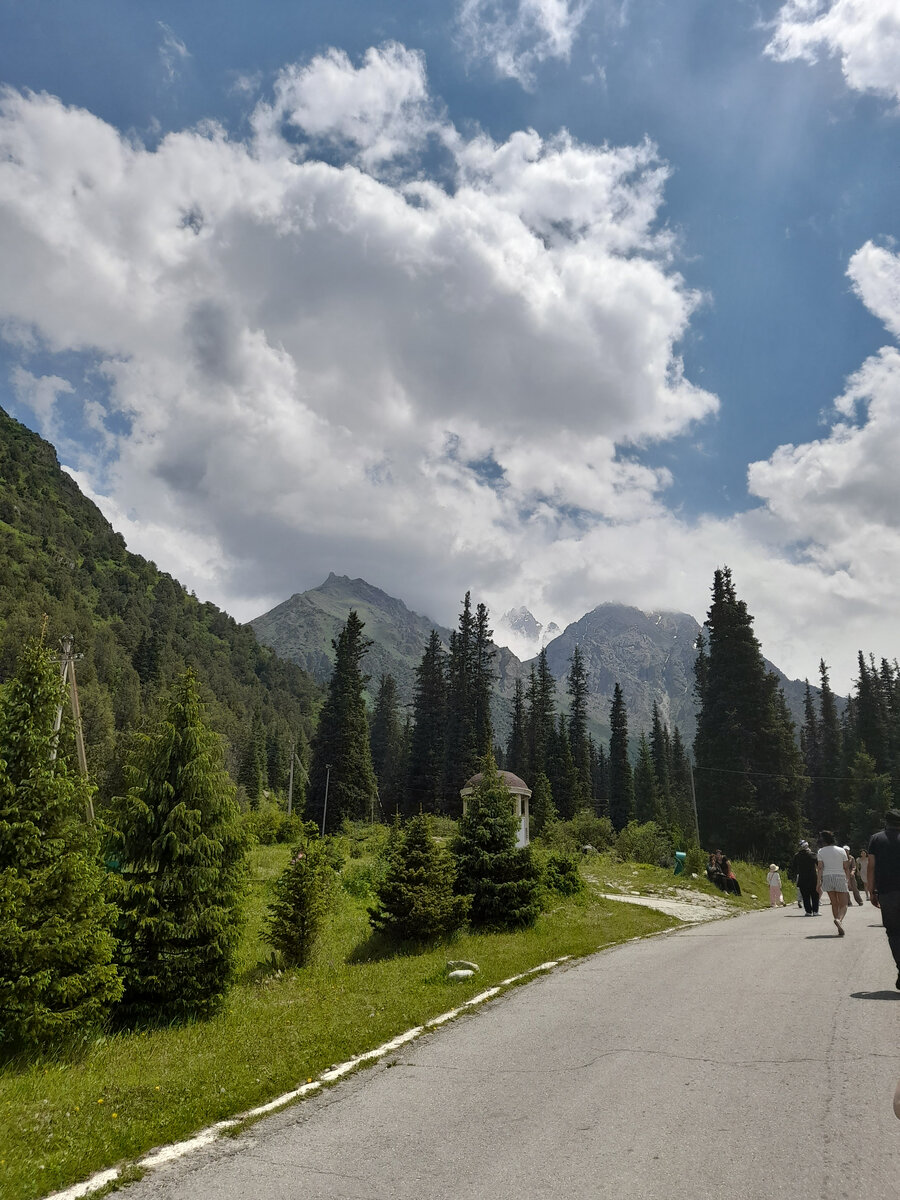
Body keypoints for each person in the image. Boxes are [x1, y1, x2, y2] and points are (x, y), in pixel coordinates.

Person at [867, 807, 900, 990]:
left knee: (894, 933)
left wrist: (871, 891)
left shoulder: (876, 839)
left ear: (886, 822)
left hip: (887, 892)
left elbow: (871, 866)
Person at [816, 831, 851, 936]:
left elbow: (820, 868)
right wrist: (848, 879)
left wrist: (818, 882)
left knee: (834, 903)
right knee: (844, 904)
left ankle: (838, 923)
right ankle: (839, 920)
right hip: (839, 876)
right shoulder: (841, 850)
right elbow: (846, 867)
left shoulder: (821, 851)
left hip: (827, 877)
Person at [792, 841, 819, 916]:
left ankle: (808, 911)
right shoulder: (813, 855)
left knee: (805, 896)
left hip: (802, 878)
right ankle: (815, 911)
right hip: (813, 877)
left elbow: (794, 867)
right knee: (815, 895)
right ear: (807, 846)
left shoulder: (797, 856)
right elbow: (818, 865)